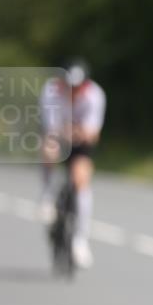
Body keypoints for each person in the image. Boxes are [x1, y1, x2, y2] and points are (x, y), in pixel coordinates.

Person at [39, 58, 107, 268]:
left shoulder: (95, 95)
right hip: (57, 137)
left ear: (85, 86)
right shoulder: (50, 92)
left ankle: (80, 240)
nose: (72, 92)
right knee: (49, 150)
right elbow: (51, 130)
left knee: (81, 178)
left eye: (77, 88)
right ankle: (47, 197)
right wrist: (65, 133)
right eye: (68, 87)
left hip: (80, 143)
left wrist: (77, 133)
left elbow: (93, 134)